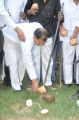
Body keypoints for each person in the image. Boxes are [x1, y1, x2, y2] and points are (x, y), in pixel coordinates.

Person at [20, 0, 61, 86]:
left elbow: (59, 16)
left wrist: (61, 17)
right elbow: (25, 13)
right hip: (35, 33)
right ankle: (36, 81)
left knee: (48, 59)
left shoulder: (55, 1)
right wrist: (30, 11)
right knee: (35, 58)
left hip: (48, 32)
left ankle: (47, 82)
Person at [2, 0, 27, 90]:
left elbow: (26, 13)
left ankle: (19, 82)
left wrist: (24, 16)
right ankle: (14, 85)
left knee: (22, 59)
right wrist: (16, 28)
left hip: (22, 31)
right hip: (7, 30)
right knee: (12, 59)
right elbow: (3, 14)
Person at [59, 0, 79, 86]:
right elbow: (57, 16)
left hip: (76, 33)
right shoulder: (63, 1)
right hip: (66, 34)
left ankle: (78, 81)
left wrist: (74, 35)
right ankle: (68, 81)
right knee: (67, 59)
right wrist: (61, 28)